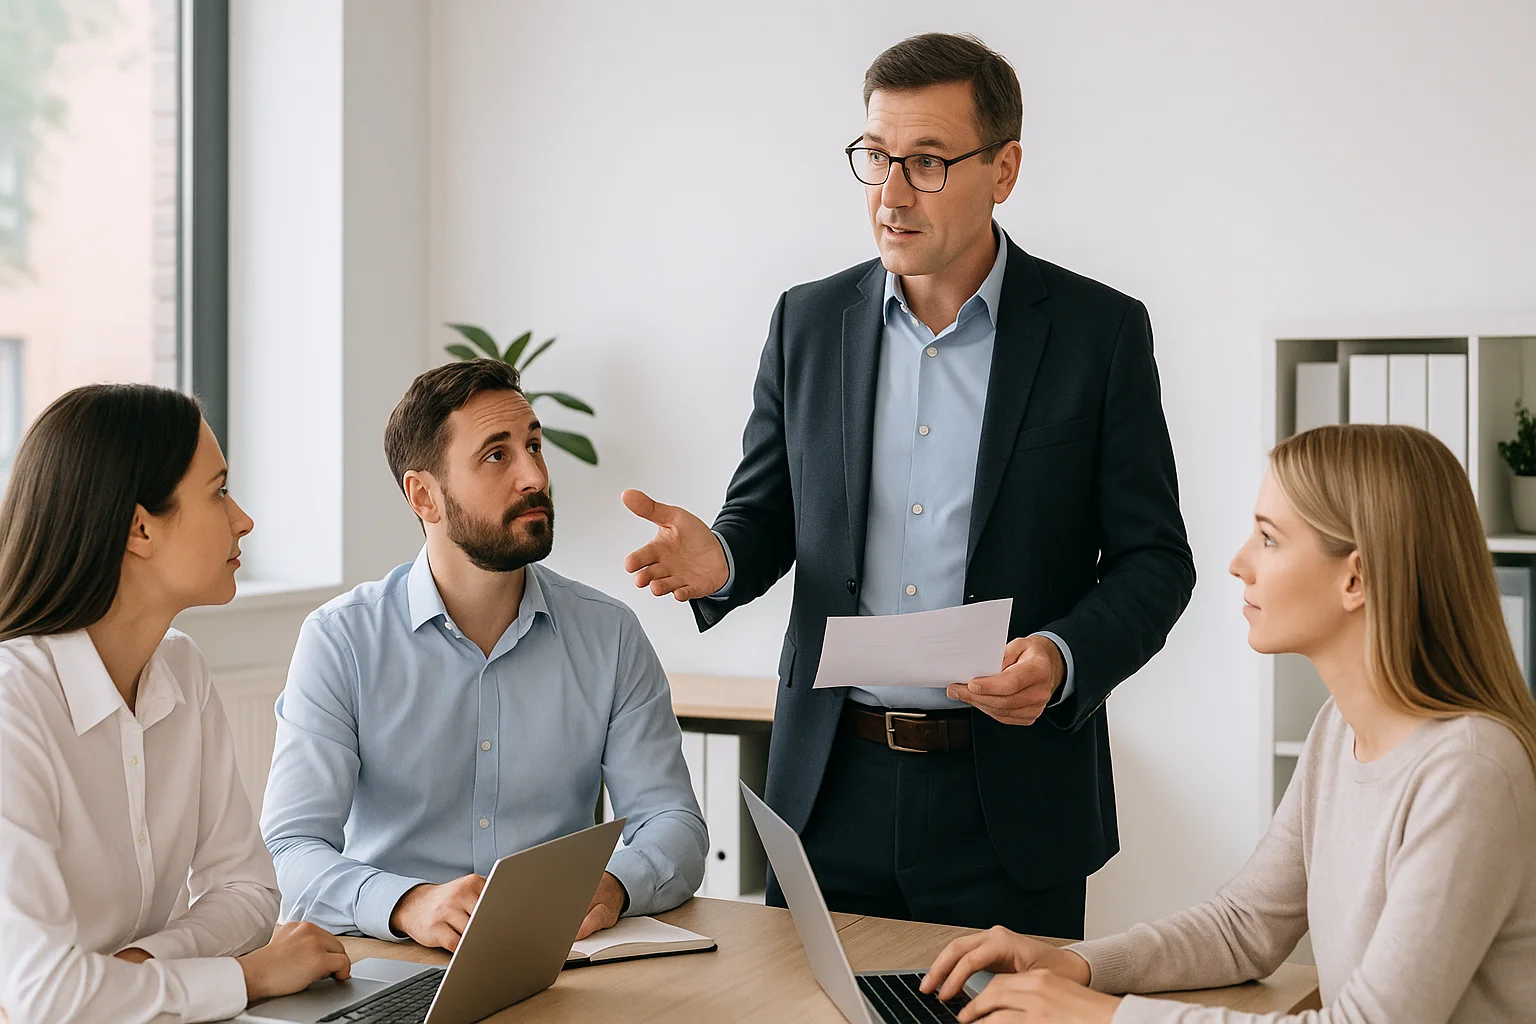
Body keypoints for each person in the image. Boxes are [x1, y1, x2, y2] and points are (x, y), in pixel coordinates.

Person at [621, 32, 1194, 937]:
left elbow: (1155, 562)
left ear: (1003, 170)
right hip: (829, 791)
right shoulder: (807, 321)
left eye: (926, 163)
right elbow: (765, 515)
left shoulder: (1098, 334)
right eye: (875, 159)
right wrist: (722, 557)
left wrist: (1060, 656)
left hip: (1010, 797)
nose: (890, 195)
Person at [921, 424, 1536, 1023]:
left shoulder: (1468, 770)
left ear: (1357, 577)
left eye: (1268, 538)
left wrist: (1101, 1018)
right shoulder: (1339, 731)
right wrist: (1072, 966)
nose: (1239, 562)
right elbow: (1244, 927)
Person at [262, 358, 707, 952]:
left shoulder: (610, 635)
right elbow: (289, 850)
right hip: (392, 960)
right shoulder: (343, 640)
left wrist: (611, 885)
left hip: (557, 962)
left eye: (534, 446)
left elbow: (673, 822)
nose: (533, 477)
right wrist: (408, 905)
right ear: (425, 497)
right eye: (497, 455)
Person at [0, 384, 351, 1024]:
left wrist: (138, 968)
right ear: (140, 527)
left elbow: (247, 891)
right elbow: (44, 997)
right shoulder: (11, 706)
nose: (242, 519)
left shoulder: (181, 668)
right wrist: (241, 977)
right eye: (218, 492)